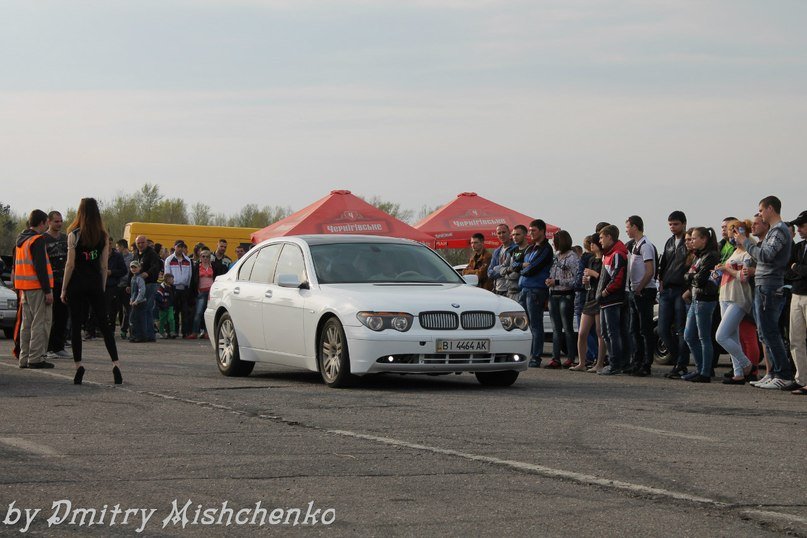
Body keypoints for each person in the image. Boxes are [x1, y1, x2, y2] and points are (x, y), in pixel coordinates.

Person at [60, 198, 121, 385]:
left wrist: (63, 288)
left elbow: (70, 264)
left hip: (77, 284)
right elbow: (104, 266)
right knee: (104, 324)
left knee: (77, 326)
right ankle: (116, 364)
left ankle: (78, 366)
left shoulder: (74, 235)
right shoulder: (102, 236)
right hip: (95, 284)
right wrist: (101, 287)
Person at [736, 196, 794, 390]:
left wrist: (746, 243)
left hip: (770, 285)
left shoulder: (779, 230)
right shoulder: (774, 231)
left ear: (770, 209)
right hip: (763, 285)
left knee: (770, 332)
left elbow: (767, 256)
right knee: (763, 332)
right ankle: (773, 373)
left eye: (761, 210)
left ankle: (784, 375)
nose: (759, 214)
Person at [715, 219, 756, 385]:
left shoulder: (748, 253)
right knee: (733, 336)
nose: (732, 235)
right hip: (725, 294)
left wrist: (727, 269)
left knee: (721, 336)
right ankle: (738, 373)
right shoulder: (734, 251)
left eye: (734, 232)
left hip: (739, 297)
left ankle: (746, 364)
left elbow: (743, 277)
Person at [13, 209, 55, 369]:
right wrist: (47, 291)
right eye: (46, 223)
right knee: (41, 322)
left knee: (26, 324)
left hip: (24, 288)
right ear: (43, 222)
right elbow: (40, 267)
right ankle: (36, 358)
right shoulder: (37, 240)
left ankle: (24, 358)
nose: (47, 227)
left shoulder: (21, 240)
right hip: (37, 287)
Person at [682, 227, 721, 382]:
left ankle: (705, 372)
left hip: (705, 299)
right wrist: (691, 276)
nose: (691, 241)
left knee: (704, 336)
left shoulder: (711, 256)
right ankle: (700, 368)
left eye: (694, 238)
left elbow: (700, 279)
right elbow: (689, 276)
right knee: (689, 336)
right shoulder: (698, 256)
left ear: (704, 239)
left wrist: (690, 277)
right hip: (696, 298)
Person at [658, 211, 691, 379]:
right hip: (667, 290)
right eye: (670, 224)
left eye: (676, 224)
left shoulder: (689, 241)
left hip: (681, 289)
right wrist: (661, 281)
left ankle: (681, 364)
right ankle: (679, 359)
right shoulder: (669, 242)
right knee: (662, 329)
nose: (672, 227)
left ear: (684, 224)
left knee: (681, 329)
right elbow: (663, 264)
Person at [624, 215, 658, 377]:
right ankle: (636, 361)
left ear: (635, 227)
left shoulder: (646, 246)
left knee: (645, 329)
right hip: (634, 291)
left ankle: (646, 363)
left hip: (644, 291)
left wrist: (640, 287)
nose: (626, 230)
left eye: (628, 227)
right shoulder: (634, 245)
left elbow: (650, 270)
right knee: (634, 329)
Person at [518, 220, 554, 367]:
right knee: (522, 325)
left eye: (533, 230)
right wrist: (521, 267)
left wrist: (521, 269)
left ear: (542, 231)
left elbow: (532, 268)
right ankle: (524, 354)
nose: (530, 233)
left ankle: (535, 357)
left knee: (535, 325)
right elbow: (516, 263)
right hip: (524, 289)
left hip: (536, 290)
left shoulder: (546, 249)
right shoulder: (530, 248)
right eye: (530, 230)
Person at [596, 225, 629, 376]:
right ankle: (615, 362)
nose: (600, 241)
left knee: (612, 332)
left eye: (602, 237)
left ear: (610, 237)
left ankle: (616, 364)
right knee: (605, 332)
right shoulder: (608, 254)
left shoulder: (617, 254)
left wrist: (605, 292)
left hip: (612, 299)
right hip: (606, 300)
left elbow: (618, 278)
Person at [572, 234, 606, 373]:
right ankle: (582, 362)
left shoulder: (605, 259)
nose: (591, 245)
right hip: (590, 297)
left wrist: (593, 274)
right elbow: (589, 283)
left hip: (600, 299)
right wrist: (586, 281)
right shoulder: (591, 259)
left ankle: (599, 363)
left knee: (599, 332)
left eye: (594, 243)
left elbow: (605, 278)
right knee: (582, 332)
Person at [545, 230, 579, 369]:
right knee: (556, 329)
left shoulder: (572, 258)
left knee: (567, 328)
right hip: (553, 295)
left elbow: (576, 279)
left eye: (555, 241)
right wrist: (549, 282)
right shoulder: (556, 257)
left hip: (566, 295)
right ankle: (555, 358)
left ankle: (571, 357)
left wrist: (557, 282)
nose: (553, 243)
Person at [44, 211, 71, 360]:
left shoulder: (65, 239)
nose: (59, 224)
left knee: (62, 316)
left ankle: (58, 346)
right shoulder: (43, 239)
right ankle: (47, 347)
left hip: (63, 283)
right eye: (56, 221)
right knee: (49, 317)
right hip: (49, 283)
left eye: (61, 221)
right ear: (49, 222)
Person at [786, 210, 807, 394]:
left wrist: (796, 268)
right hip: (796, 294)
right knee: (795, 339)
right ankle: (801, 378)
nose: (798, 229)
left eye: (801, 225)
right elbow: (787, 270)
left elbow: (797, 269)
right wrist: (797, 269)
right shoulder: (799, 247)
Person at [133, 235, 161, 342]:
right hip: (139, 285)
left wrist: (147, 273)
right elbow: (132, 268)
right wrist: (128, 284)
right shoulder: (136, 254)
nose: (140, 245)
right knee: (143, 310)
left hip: (150, 284)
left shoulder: (152, 254)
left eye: (142, 242)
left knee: (146, 309)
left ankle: (146, 335)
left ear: (146, 243)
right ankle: (147, 335)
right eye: (138, 243)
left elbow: (155, 267)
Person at [163, 240, 193, 337]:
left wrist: (187, 286)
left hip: (184, 288)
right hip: (173, 288)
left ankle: (185, 332)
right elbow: (167, 274)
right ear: (175, 247)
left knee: (185, 311)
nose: (180, 249)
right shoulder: (169, 260)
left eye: (182, 247)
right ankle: (174, 331)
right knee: (174, 311)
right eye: (178, 246)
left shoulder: (188, 260)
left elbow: (190, 275)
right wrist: (169, 286)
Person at [188, 249, 214, 339]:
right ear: (200, 257)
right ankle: (195, 332)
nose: (205, 258)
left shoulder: (213, 266)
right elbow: (193, 280)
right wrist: (195, 291)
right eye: (203, 256)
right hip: (201, 292)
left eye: (207, 256)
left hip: (211, 293)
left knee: (208, 313)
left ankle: (207, 332)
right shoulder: (197, 267)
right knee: (198, 313)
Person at [105, 237, 128, 332]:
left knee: (112, 310)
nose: (108, 245)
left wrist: (111, 272)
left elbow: (123, 271)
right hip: (99, 285)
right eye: (106, 243)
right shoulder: (97, 254)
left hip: (112, 286)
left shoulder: (117, 256)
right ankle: (94, 330)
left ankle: (110, 330)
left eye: (110, 243)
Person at [504, 225, 528, 302]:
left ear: (525, 235)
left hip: (522, 291)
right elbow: (499, 269)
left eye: (517, 234)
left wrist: (508, 272)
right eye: (513, 234)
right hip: (509, 291)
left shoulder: (530, 250)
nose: (514, 237)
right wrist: (510, 269)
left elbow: (517, 274)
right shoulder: (512, 251)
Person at [488, 224, 513, 296]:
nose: (501, 235)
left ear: (509, 232)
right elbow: (489, 272)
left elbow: (513, 269)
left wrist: (498, 270)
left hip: (510, 290)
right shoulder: (497, 251)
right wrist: (503, 272)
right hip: (497, 289)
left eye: (504, 232)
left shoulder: (516, 249)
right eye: (499, 233)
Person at [128, 260, 147, 342]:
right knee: (134, 319)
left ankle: (139, 336)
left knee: (137, 319)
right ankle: (135, 335)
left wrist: (137, 300)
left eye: (135, 267)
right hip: (134, 302)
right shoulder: (133, 278)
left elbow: (142, 290)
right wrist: (131, 299)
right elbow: (133, 292)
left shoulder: (139, 278)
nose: (133, 269)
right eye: (132, 267)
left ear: (139, 268)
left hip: (140, 302)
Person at [156, 273, 177, 339]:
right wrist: (163, 300)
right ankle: (161, 332)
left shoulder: (173, 287)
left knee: (171, 319)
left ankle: (172, 331)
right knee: (162, 320)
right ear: (167, 279)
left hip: (170, 306)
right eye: (171, 279)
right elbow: (158, 296)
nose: (173, 280)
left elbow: (173, 297)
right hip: (163, 306)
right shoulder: (162, 287)